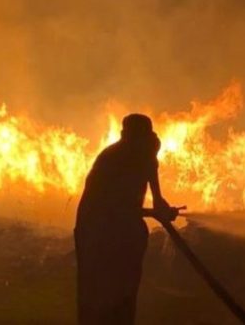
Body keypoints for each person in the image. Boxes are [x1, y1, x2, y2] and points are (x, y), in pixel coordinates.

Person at [74, 113, 178, 325]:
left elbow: (156, 197)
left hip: (126, 231)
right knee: (97, 295)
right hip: (96, 230)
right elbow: (115, 208)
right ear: (125, 136)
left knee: (125, 294)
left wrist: (162, 208)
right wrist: (154, 213)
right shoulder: (113, 160)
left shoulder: (148, 152)